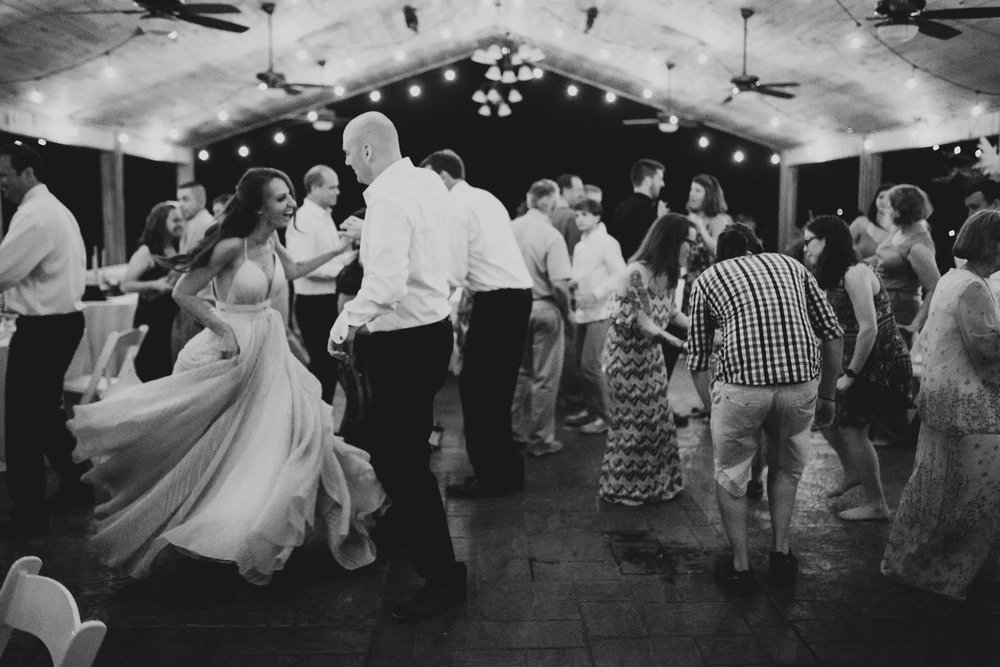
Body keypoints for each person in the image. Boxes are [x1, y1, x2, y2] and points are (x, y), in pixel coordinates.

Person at [67, 167, 382, 584]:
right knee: (228, 442)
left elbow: (292, 271)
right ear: (258, 205)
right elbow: (184, 292)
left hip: (268, 344)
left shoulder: (270, 239)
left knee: (276, 435)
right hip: (231, 346)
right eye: (280, 198)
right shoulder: (230, 246)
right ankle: (219, 526)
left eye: (289, 196)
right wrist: (222, 328)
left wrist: (341, 250)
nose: (290, 204)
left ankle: (260, 527)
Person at [328, 112, 465, 621]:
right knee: (402, 455)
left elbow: (384, 286)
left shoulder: (386, 195)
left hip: (405, 343)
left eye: (347, 151)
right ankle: (418, 542)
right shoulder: (427, 182)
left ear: (366, 150)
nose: (346, 162)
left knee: (399, 460)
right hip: (431, 331)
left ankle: (443, 576)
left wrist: (344, 323)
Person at [687, 223, 843, 593]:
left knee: (732, 475)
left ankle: (741, 568)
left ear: (720, 254)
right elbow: (833, 334)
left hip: (742, 388)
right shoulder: (793, 266)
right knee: (786, 469)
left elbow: (696, 359)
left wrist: (715, 409)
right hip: (800, 384)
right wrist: (828, 394)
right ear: (757, 248)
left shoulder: (709, 278)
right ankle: (781, 554)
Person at [881, 209, 1000, 601]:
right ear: (993, 244)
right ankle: (942, 576)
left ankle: (909, 565)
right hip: (970, 410)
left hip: (945, 403)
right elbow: (989, 349)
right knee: (970, 498)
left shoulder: (954, 279)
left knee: (932, 490)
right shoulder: (973, 288)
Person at [419, 149, 533, 499]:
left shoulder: (454, 207)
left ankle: (491, 476)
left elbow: (453, 272)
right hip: (514, 298)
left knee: (478, 391)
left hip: (496, 302)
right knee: (496, 392)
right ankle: (506, 472)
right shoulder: (486, 197)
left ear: (442, 176)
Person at [0, 143, 88, 537]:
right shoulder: (56, 209)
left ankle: (28, 513)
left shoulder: (35, 215)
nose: (0, 184)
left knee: (21, 423)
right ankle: (77, 481)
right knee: (45, 414)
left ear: (28, 174)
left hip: (43, 329)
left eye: (4, 176)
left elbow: (2, 272)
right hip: (64, 323)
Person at [803, 216, 912, 521]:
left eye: (810, 240)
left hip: (876, 361)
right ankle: (853, 470)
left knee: (853, 430)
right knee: (824, 416)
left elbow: (869, 329)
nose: (806, 247)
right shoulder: (835, 274)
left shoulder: (855, 273)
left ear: (827, 241)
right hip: (854, 360)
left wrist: (850, 375)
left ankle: (877, 503)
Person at [598, 214, 693, 505]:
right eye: (687, 240)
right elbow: (645, 323)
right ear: (671, 241)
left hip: (651, 359)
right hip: (625, 360)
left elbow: (672, 313)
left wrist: (703, 328)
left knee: (657, 421)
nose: (691, 247)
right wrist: (680, 343)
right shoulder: (636, 272)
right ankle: (625, 487)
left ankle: (655, 485)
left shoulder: (672, 272)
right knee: (634, 423)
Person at [510, 179, 573, 458]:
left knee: (519, 374)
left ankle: (513, 432)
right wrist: (567, 313)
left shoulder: (509, 228)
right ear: (549, 201)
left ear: (529, 197)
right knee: (545, 377)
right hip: (545, 307)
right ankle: (541, 439)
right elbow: (560, 284)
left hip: (514, 308)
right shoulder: (551, 236)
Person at [286, 165, 356, 403]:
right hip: (313, 304)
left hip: (328, 300)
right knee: (323, 366)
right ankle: (316, 422)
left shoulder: (324, 215)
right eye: (332, 187)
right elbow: (303, 267)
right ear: (314, 188)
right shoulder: (304, 219)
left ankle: (323, 423)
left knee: (331, 367)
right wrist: (345, 271)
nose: (338, 192)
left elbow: (332, 257)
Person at [567, 198, 626, 436]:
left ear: (596, 217)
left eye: (584, 214)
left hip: (601, 311)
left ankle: (606, 416)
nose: (579, 218)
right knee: (580, 366)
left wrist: (596, 292)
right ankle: (592, 410)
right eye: (577, 214)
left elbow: (621, 274)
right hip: (583, 311)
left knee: (591, 365)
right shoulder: (581, 245)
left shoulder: (607, 242)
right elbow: (582, 273)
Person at [121, 201, 184, 381]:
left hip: (171, 318)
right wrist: (154, 284)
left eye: (181, 220)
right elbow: (125, 285)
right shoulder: (147, 251)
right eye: (175, 220)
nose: (181, 224)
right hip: (152, 317)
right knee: (152, 365)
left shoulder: (178, 247)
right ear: (160, 222)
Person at [875, 184, 940, 347]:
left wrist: (914, 326)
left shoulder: (918, 246)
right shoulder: (901, 231)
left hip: (900, 315)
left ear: (899, 210)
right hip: (883, 309)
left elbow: (935, 288)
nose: (885, 210)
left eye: (889, 206)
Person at [171, 181, 215, 359]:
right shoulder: (198, 222)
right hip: (200, 300)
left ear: (201, 201)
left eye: (186, 199)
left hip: (198, 302)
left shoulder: (201, 225)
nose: (180, 204)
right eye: (179, 199)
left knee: (190, 364)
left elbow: (186, 265)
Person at [608, 159, 665, 261]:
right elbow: (654, 249)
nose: (662, 184)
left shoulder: (621, 207)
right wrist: (662, 222)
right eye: (660, 179)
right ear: (648, 180)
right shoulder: (645, 211)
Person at [849, 183, 896, 261]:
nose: (884, 201)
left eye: (889, 198)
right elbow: (843, 245)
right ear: (875, 200)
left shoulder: (897, 231)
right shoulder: (861, 222)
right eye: (881, 197)